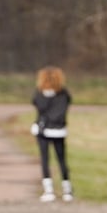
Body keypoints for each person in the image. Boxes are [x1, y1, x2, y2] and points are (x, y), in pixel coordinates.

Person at [31, 66, 73, 203]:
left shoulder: (39, 93)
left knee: (45, 159)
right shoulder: (63, 94)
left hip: (43, 129)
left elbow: (36, 104)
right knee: (62, 160)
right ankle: (67, 190)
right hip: (59, 130)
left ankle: (49, 191)